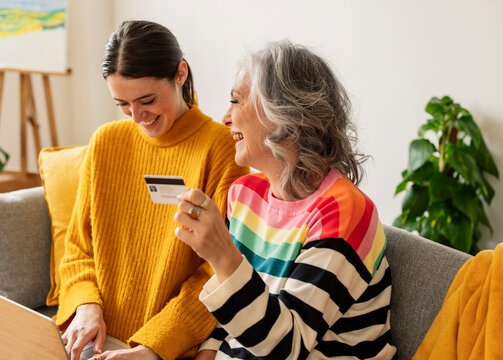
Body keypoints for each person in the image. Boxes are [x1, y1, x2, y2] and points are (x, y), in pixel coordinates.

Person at [175, 40, 397, 359]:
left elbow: (284, 348)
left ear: (284, 113)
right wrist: (209, 351)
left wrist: (222, 254)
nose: (225, 117)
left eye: (236, 101)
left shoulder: (346, 212)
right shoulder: (245, 194)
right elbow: (236, 309)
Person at [56, 20, 249, 360]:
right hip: (92, 338)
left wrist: (153, 347)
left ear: (180, 74)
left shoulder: (219, 149)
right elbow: (77, 248)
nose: (136, 116)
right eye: (122, 104)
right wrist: (86, 305)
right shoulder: (106, 142)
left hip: (167, 348)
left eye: (147, 100)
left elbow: (218, 272)